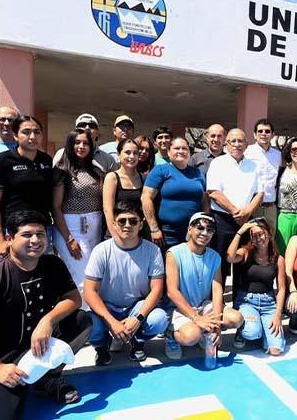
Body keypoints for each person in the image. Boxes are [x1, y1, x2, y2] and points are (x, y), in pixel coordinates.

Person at [0, 210, 92, 418]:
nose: (35, 240)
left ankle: (46, 380)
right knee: (1, 414)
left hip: (34, 345)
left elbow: (74, 299)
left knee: (81, 321)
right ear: (9, 238)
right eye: (27, 235)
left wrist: (47, 321)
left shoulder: (53, 264)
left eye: (41, 234)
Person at [84, 202, 168, 364]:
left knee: (160, 319)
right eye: (122, 221)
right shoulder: (101, 250)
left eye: (133, 221)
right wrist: (112, 322)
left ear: (141, 223)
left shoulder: (153, 250)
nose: (127, 225)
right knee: (88, 323)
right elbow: (89, 291)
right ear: (114, 224)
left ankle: (138, 342)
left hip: (135, 307)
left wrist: (137, 318)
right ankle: (102, 347)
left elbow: (156, 289)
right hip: (107, 308)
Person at [164, 213, 243, 359]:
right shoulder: (174, 253)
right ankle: (171, 335)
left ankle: (205, 331)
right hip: (181, 308)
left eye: (210, 230)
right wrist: (196, 318)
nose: (205, 233)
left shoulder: (215, 257)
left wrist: (217, 324)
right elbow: (172, 292)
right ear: (189, 229)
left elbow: (217, 289)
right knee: (191, 337)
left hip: (204, 306)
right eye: (200, 228)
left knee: (236, 319)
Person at [0, 115, 56, 257]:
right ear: (15, 136)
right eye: (26, 132)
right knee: (12, 275)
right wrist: (0, 239)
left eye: (37, 132)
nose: (32, 137)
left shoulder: (47, 160)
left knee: (41, 275)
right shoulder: (2, 160)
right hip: (12, 231)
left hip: (42, 230)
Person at [51, 129, 106, 305]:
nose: (82, 146)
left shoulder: (96, 170)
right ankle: (81, 318)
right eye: (77, 142)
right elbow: (56, 207)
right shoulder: (62, 170)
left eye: (86, 143)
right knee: (80, 277)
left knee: (94, 274)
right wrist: (68, 238)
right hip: (71, 227)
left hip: (95, 227)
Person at [207, 129, 264, 287]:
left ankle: (241, 301)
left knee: (244, 260)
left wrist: (247, 212)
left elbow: (260, 193)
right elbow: (213, 192)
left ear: (246, 145)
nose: (237, 144)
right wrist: (235, 211)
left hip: (245, 220)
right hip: (222, 220)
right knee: (220, 262)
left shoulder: (254, 165)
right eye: (233, 141)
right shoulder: (218, 163)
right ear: (226, 144)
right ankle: (217, 303)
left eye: (241, 141)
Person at [226, 219, 286, 355]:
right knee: (251, 332)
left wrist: (278, 314)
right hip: (247, 301)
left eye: (261, 234)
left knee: (276, 350)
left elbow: (281, 289)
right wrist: (240, 232)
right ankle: (245, 329)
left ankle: (265, 335)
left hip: (268, 303)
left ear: (268, 234)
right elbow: (229, 257)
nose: (258, 238)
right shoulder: (246, 252)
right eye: (254, 235)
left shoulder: (278, 258)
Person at [143, 137, 209, 251]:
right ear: (168, 152)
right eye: (176, 148)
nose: (181, 151)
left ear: (189, 152)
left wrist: (205, 224)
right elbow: (146, 197)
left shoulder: (197, 172)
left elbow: (204, 200)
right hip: (166, 234)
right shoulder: (160, 170)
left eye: (184, 148)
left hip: (193, 233)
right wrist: (154, 228)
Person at [103, 139, 146, 240]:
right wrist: (115, 236)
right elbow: (107, 210)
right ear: (119, 154)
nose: (132, 156)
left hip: (138, 235)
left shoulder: (143, 178)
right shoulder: (112, 177)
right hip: (117, 233)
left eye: (135, 153)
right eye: (127, 152)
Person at [245, 119, 281, 229]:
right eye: (260, 131)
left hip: (271, 207)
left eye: (267, 131)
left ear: (272, 135)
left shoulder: (277, 155)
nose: (263, 134)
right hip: (252, 206)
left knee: (270, 240)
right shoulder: (247, 152)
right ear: (255, 135)